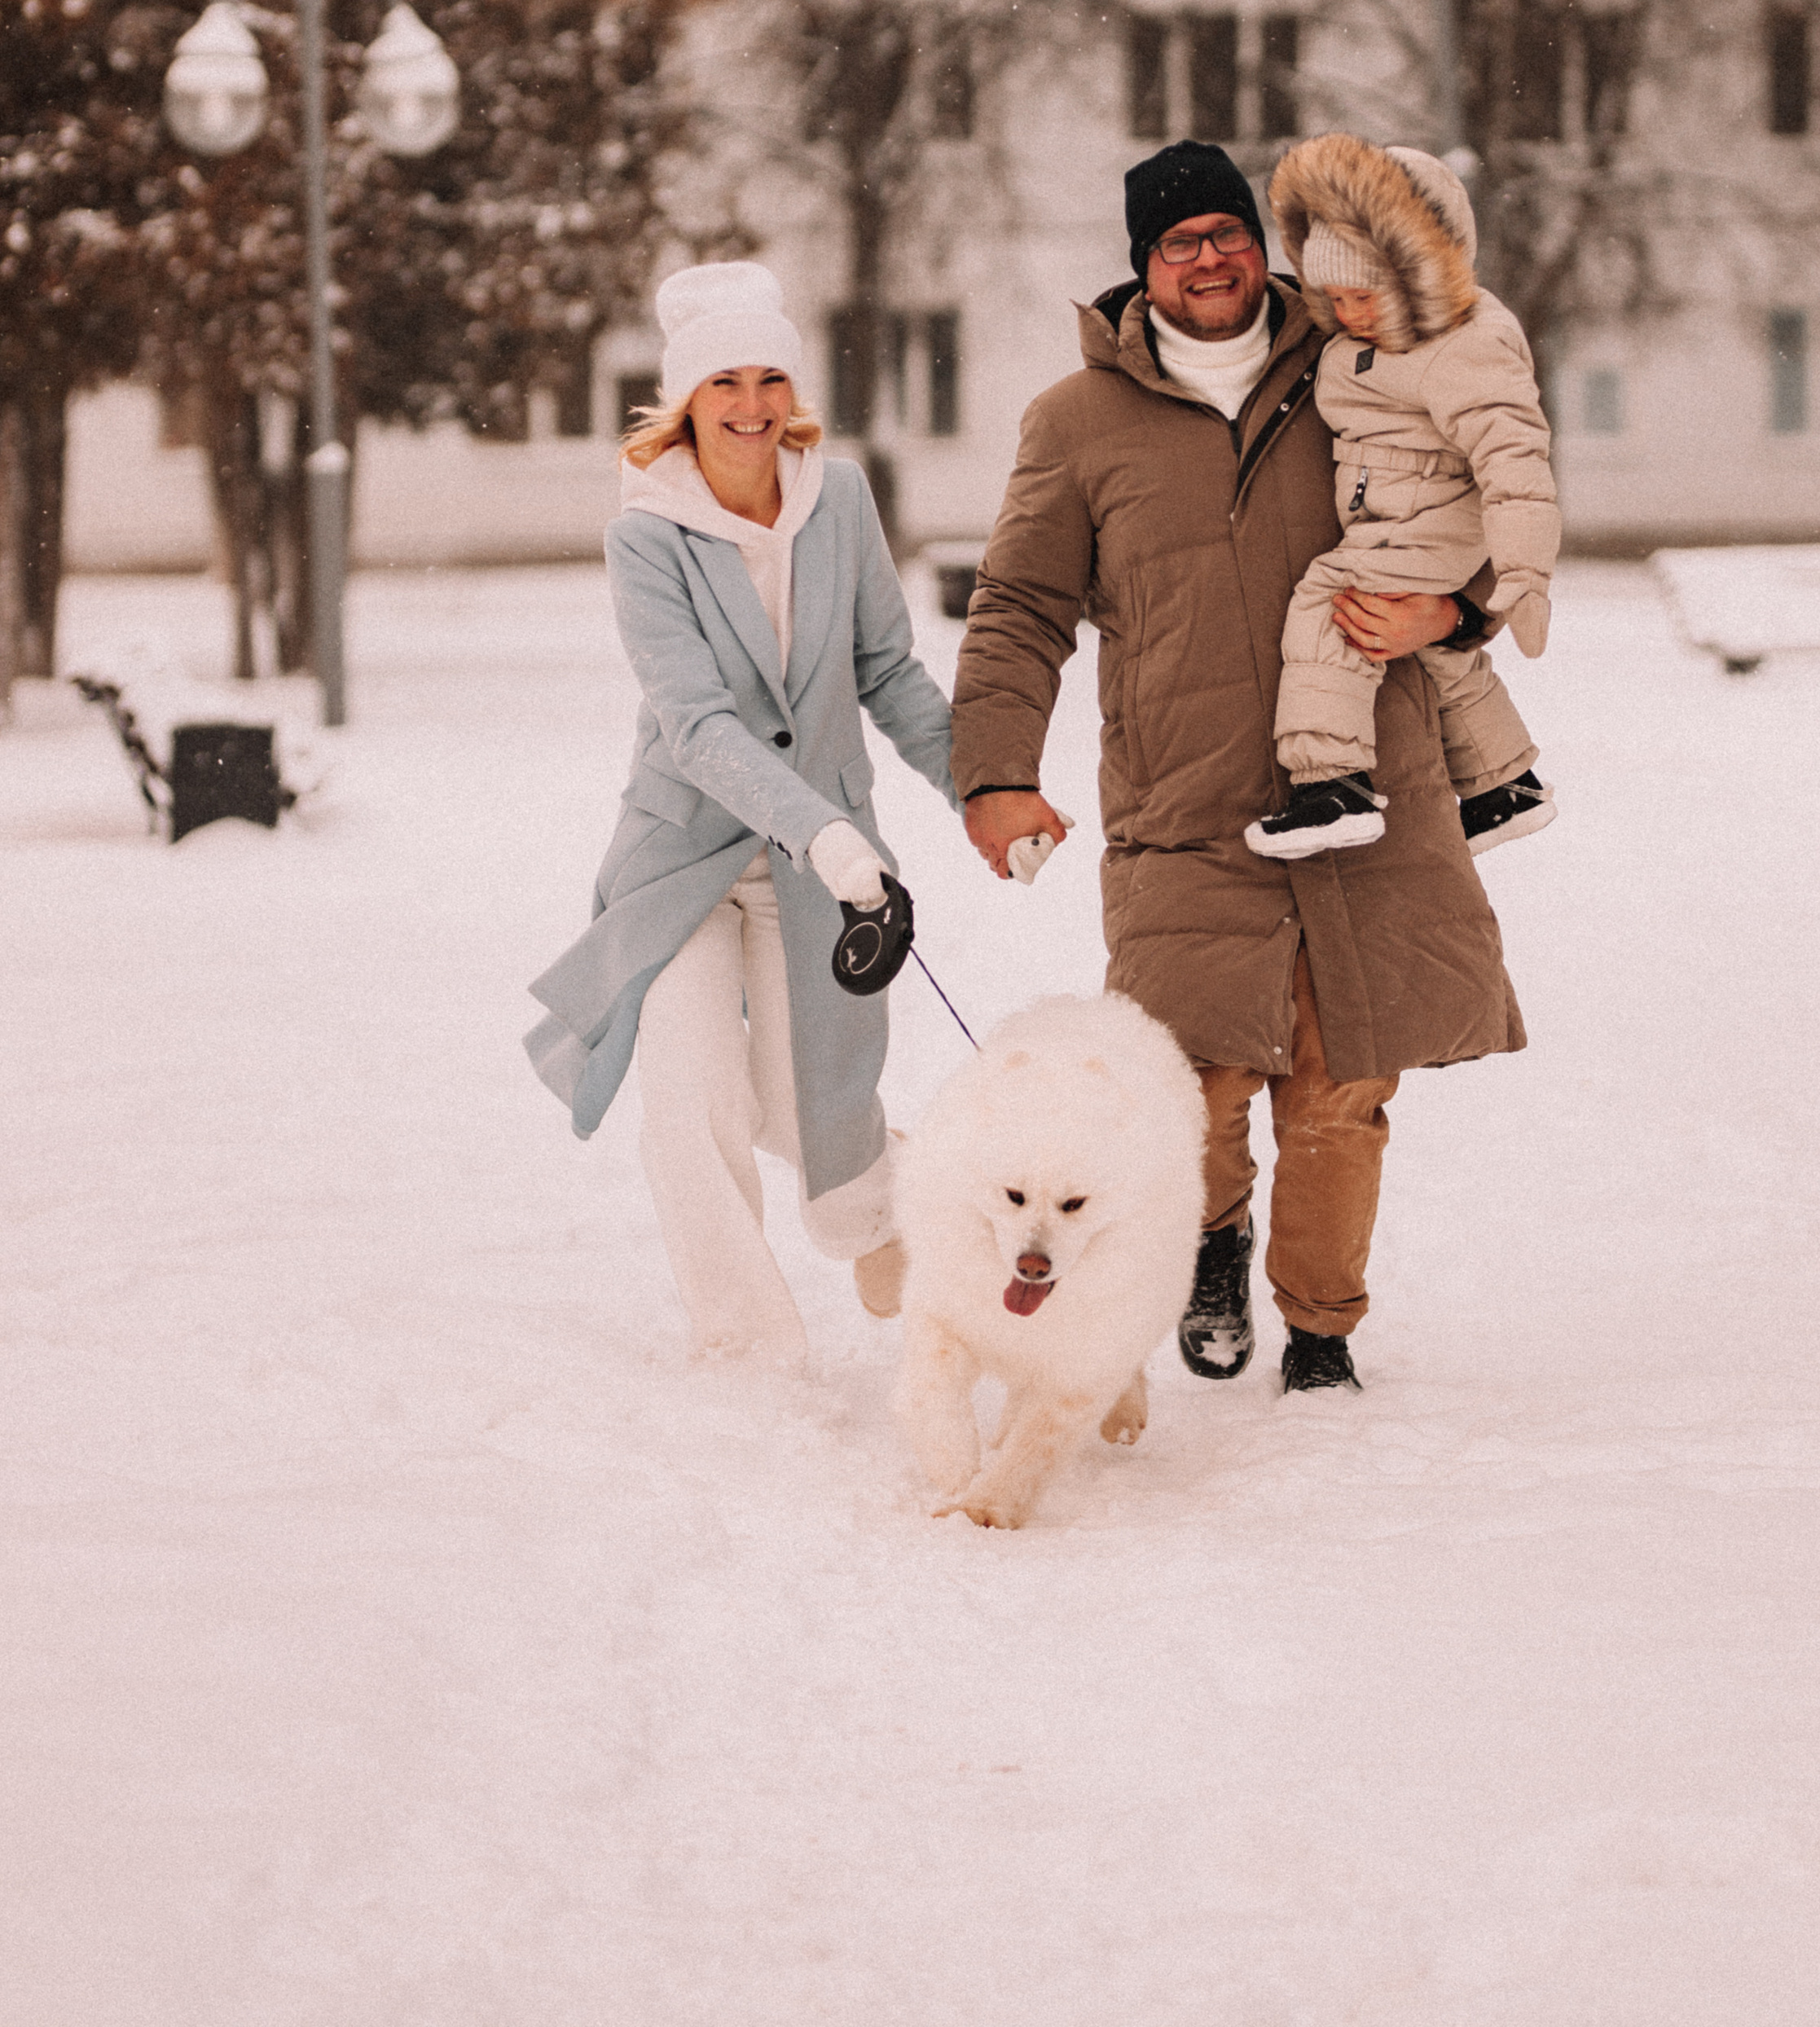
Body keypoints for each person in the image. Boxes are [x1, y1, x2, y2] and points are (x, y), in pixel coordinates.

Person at [951, 140, 1525, 1396]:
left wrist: (1456, 611)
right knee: (1184, 1088)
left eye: (1225, 230)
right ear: (1142, 268)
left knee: (1340, 1092)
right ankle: (1210, 1243)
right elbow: (1019, 609)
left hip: (1369, 791)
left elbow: (1483, 499)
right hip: (1183, 806)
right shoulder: (1079, 422)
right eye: (1177, 241)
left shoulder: (1361, 366)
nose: (1206, 257)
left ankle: (1322, 1329)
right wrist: (996, 771)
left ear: (1261, 247)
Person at [524, 262, 960, 1369]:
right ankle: (746, 1345)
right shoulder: (648, 536)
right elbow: (696, 723)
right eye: (725, 380)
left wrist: (981, 787)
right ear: (684, 398)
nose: (752, 404)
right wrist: (823, 827)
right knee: (692, 1102)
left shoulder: (840, 498)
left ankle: (879, 1205)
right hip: (687, 858)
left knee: (811, 1106)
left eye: (770, 376)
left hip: (825, 868)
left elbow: (887, 669)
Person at [1244, 133, 1559, 862]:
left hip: (1435, 517)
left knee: (1332, 606)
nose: (1350, 312)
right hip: (1399, 513)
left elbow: (1515, 463)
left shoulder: (1465, 346)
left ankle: (1333, 785)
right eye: (1337, 298)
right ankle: (1504, 786)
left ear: (1419, 279)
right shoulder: (1363, 345)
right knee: (1442, 655)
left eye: (1367, 295)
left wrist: (1525, 573)